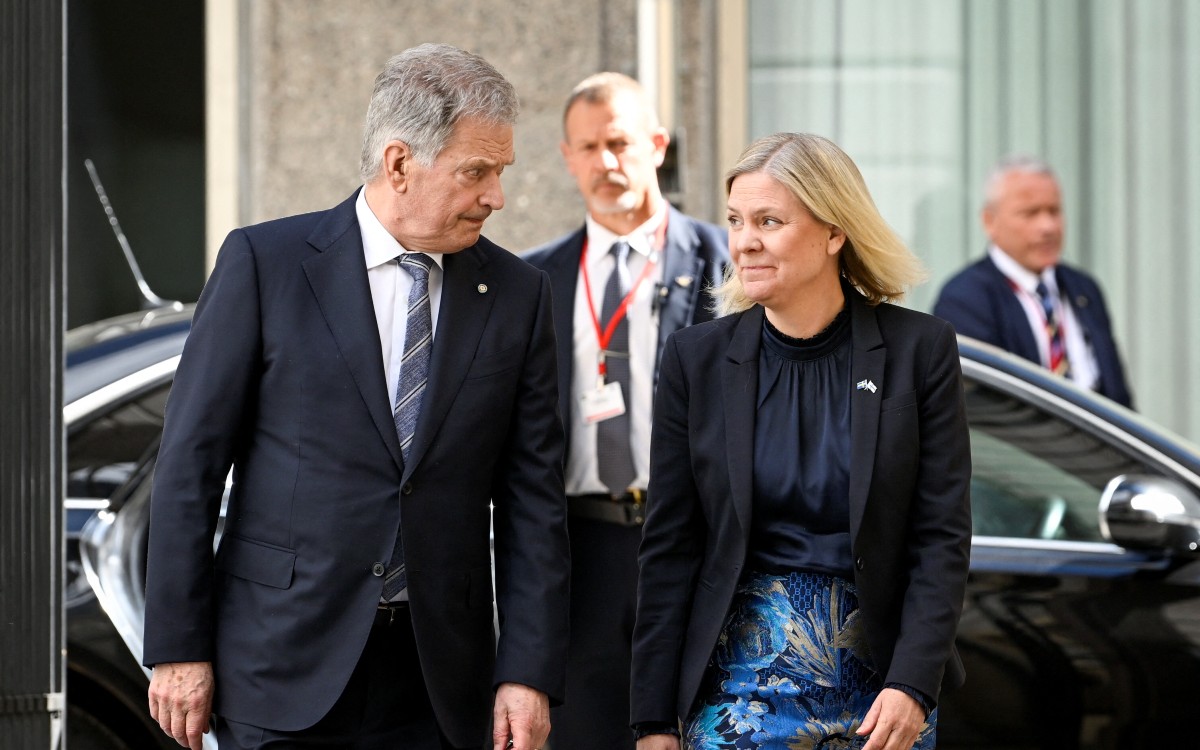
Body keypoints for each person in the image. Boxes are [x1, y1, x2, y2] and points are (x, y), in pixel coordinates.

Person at [142, 43, 569, 750]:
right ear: (399, 163)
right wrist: (178, 647)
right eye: (477, 172)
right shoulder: (266, 265)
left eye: (501, 172)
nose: (497, 196)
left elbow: (534, 502)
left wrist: (527, 671)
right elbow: (189, 466)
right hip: (279, 666)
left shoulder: (518, 295)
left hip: (438, 686)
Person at [631, 132, 973, 749]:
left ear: (834, 232)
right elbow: (670, 548)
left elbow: (941, 538)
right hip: (739, 689)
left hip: (884, 694)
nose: (745, 241)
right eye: (736, 221)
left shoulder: (919, 351)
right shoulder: (695, 360)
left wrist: (913, 685)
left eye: (770, 221)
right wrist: (653, 722)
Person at [522, 72, 728, 750]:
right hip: (580, 556)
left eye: (619, 143)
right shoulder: (533, 280)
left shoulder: (724, 265)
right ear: (567, 157)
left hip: (693, 545)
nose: (605, 162)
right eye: (588, 147)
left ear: (658, 146)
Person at [932, 155, 1133, 407]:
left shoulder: (1083, 288)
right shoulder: (966, 299)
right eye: (1030, 213)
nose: (1048, 227)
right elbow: (983, 408)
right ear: (989, 221)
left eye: (1054, 211)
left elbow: (1118, 396)